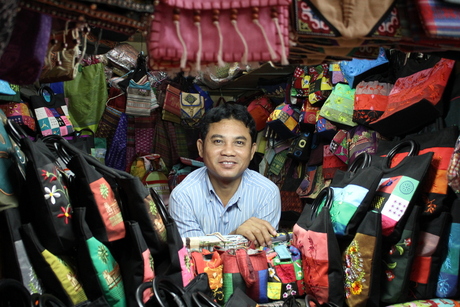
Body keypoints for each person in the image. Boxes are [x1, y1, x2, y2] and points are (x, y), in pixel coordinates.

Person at [169, 102, 281, 247]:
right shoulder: (183, 196)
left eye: (239, 142)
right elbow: (191, 259)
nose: (228, 151)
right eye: (218, 141)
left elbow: (263, 256)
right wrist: (236, 237)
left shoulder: (267, 193)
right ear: (200, 148)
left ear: (252, 151)